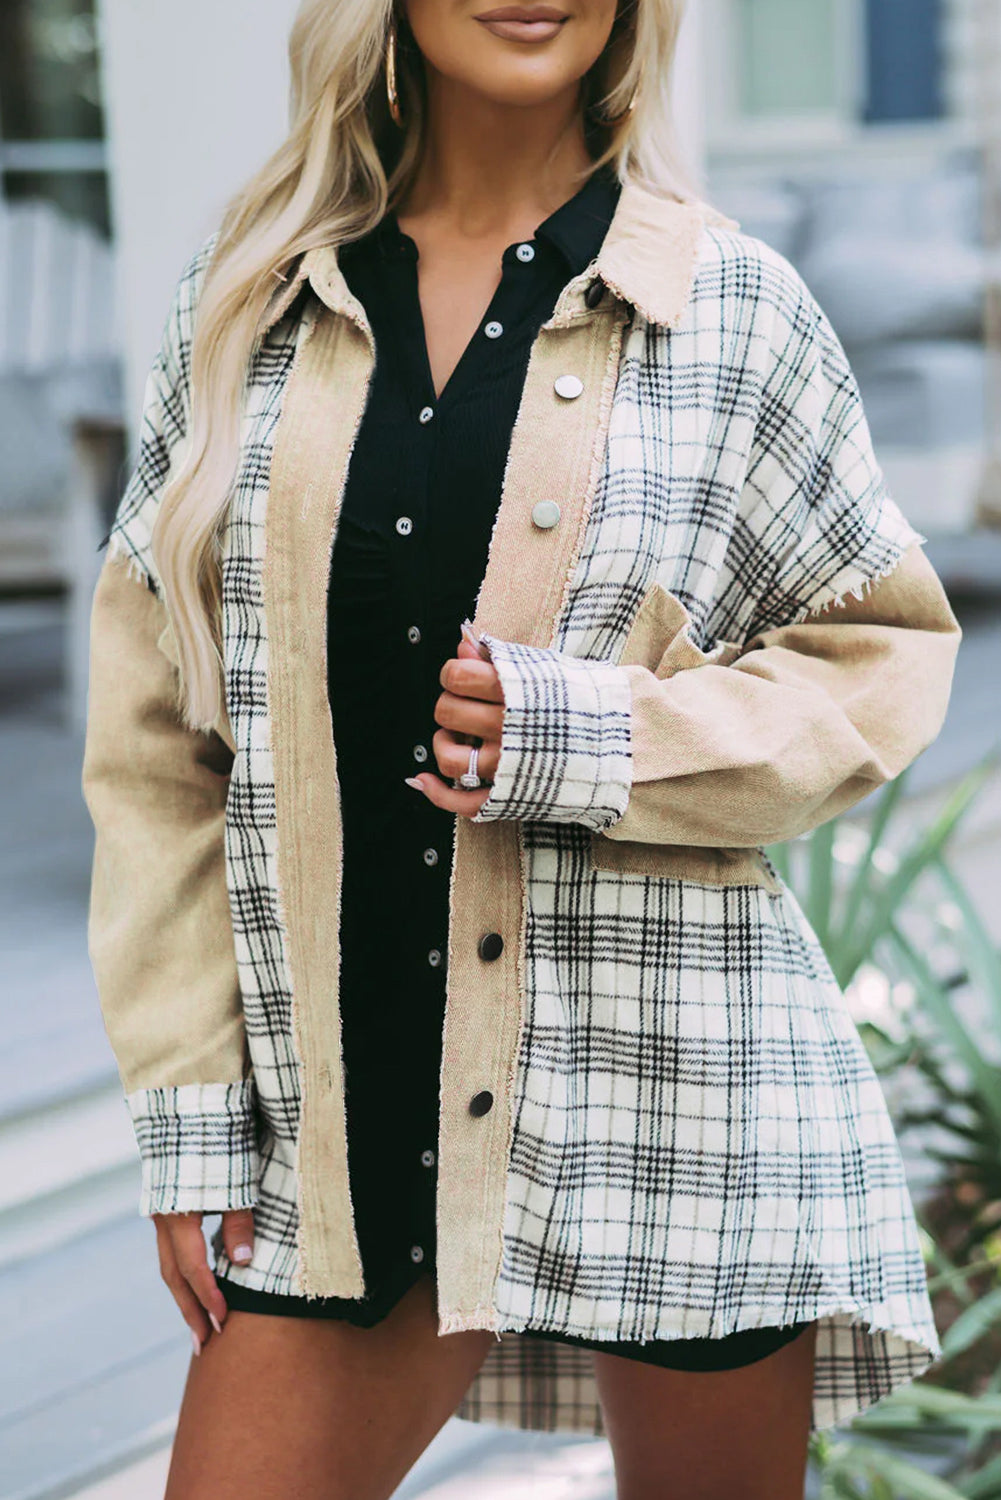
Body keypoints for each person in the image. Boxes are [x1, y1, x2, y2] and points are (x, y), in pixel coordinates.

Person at [81, 0, 963, 1495]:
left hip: (678, 1101)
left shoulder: (730, 309)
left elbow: (879, 653)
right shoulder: (246, 309)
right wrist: (191, 1119)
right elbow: (159, 745)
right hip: (344, 1129)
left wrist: (604, 737)